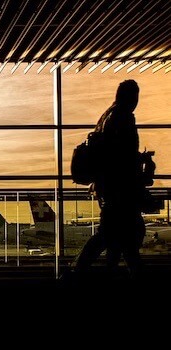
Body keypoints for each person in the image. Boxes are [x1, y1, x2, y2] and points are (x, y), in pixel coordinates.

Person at [71, 80, 148, 279]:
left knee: (112, 236)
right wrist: (140, 161)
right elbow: (122, 155)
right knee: (118, 237)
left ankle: (82, 273)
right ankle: (78, 273)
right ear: (132, 97)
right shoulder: (123, 118)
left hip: (108, 187)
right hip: (120, 188)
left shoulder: (107, 117)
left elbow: (112, 154)